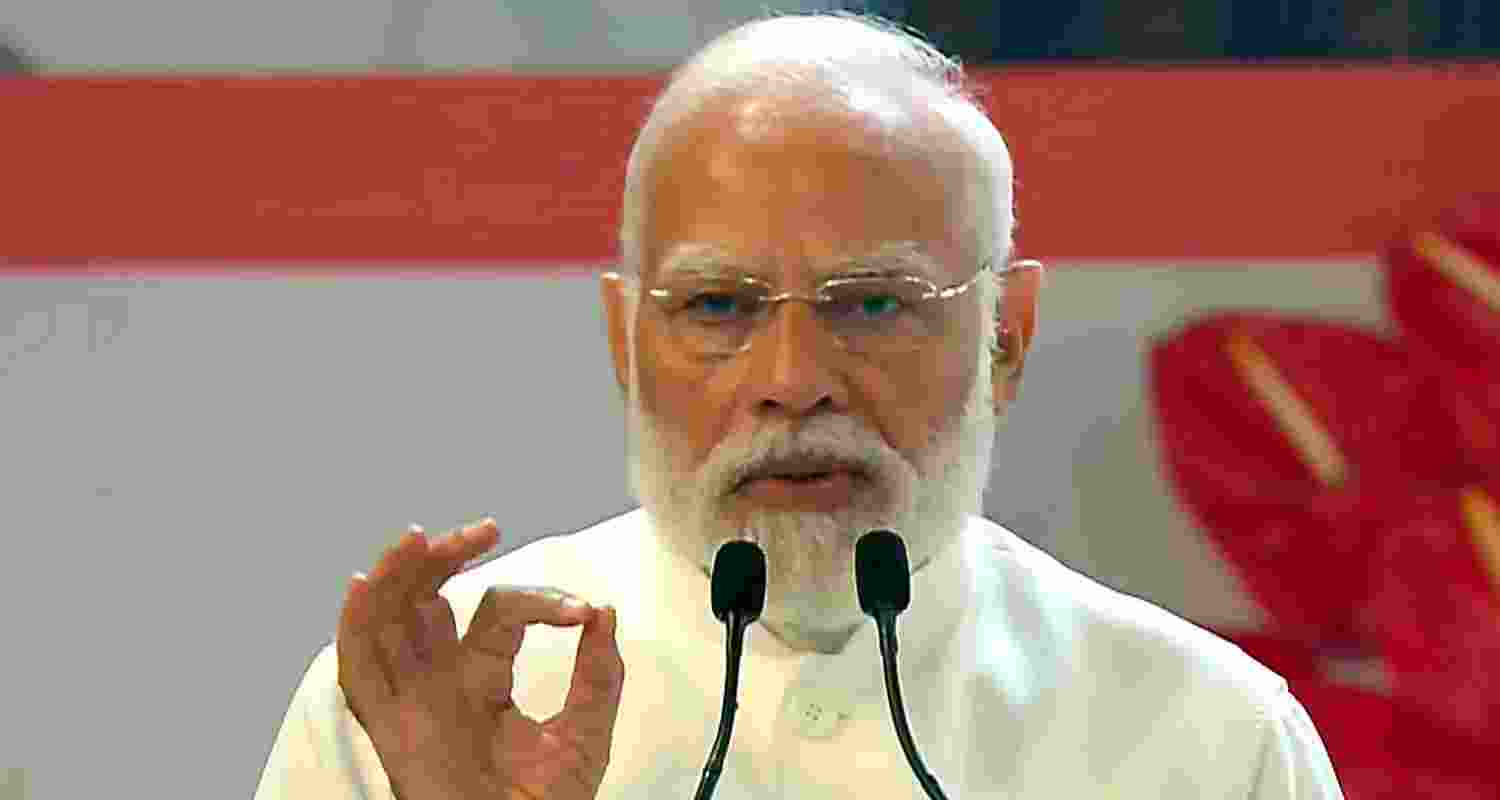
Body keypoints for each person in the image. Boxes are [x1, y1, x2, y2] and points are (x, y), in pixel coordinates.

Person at [254, 11, 1344, 799]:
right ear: (625, 342)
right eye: (719, 304)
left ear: (1005, 335)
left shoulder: (1212, 740)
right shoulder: (414, 716)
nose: (792, 375)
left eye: (872, 302)